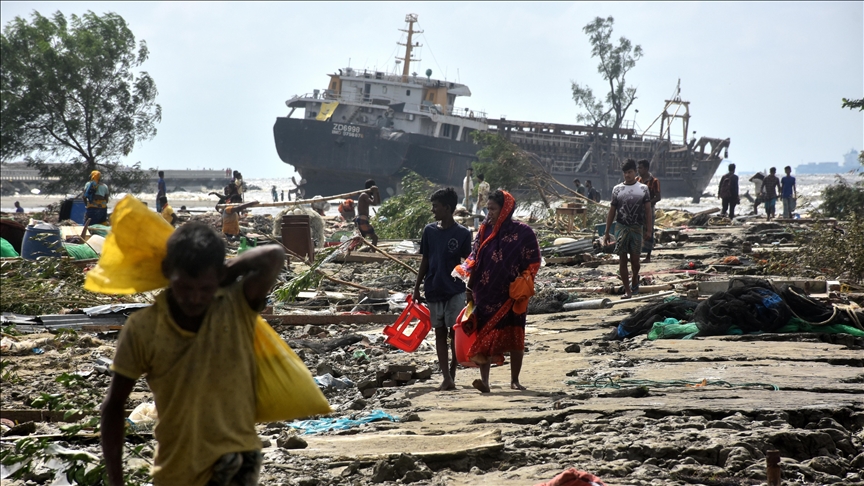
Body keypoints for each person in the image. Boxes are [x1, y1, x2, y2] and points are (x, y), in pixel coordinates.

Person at [101, 223, 285, 486]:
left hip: (235, 463)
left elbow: (274, 255)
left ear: (219, 278)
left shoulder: (235, 305)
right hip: (177, 468)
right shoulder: (144, 328)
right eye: (185, 287)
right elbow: (114, 404)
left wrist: (228, 271)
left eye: (205, 288)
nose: (195, 298)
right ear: (167, 272)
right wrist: (115, 480)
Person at [454, 189, 541, 393]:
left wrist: (523, 282)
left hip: (512, 294)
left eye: (493, 209)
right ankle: (485, 381)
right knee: (484, 335)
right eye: (488, 208)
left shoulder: (523, 232)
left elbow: (533, 261)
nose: (489, 213)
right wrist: (469, 286)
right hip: (485, 292)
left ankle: (515, 380)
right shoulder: (484, 230)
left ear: (506, 209)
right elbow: (475, 258)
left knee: (516, 335)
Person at [413, 188, 472, 391]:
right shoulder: (429, 231)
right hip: (434, 288)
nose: (433, 210)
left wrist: (471, 288)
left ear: (447, 208)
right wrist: (416, 288)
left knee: (454, 333)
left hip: (455, 289)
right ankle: (446, 376)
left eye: (436, 206)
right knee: (439, 332)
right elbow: (426, 260)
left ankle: (453, 373)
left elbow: (468, 263)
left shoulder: (463, 233)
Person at [603, 159, 652, 299]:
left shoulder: (643, 189)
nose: (627, 175)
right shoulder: (617, 189)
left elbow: (648, 211)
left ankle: (635, 278)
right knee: (622, 259)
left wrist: (649, 230)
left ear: (635, 172)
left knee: (635, 261)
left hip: (637, 228)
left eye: (630, 172)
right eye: (625, 173)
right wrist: (606, 232)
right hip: (621, 227)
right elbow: (612, 211)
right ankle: (628, 291)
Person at [636, 159, 661, 263]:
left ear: (646, 169)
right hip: (638, 209)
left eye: (640, 168)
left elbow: (658, 197)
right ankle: (637, 253)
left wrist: (648, 203)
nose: (638, 170)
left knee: (649, 230)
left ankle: (648, 256)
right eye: (638, 168)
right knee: (638, 230)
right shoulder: (637, 180)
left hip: (649, 209)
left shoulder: (654, 181)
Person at [355, 179, 381, 245]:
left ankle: (355, 252)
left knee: (361, 239)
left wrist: (377, 192)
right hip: (362, 219)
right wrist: (374, 192)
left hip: (362, 219)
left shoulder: (367, 196)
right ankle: (372, 253)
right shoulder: (364, 195)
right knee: (375, 238)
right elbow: (374, 203)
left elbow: (378, 202)